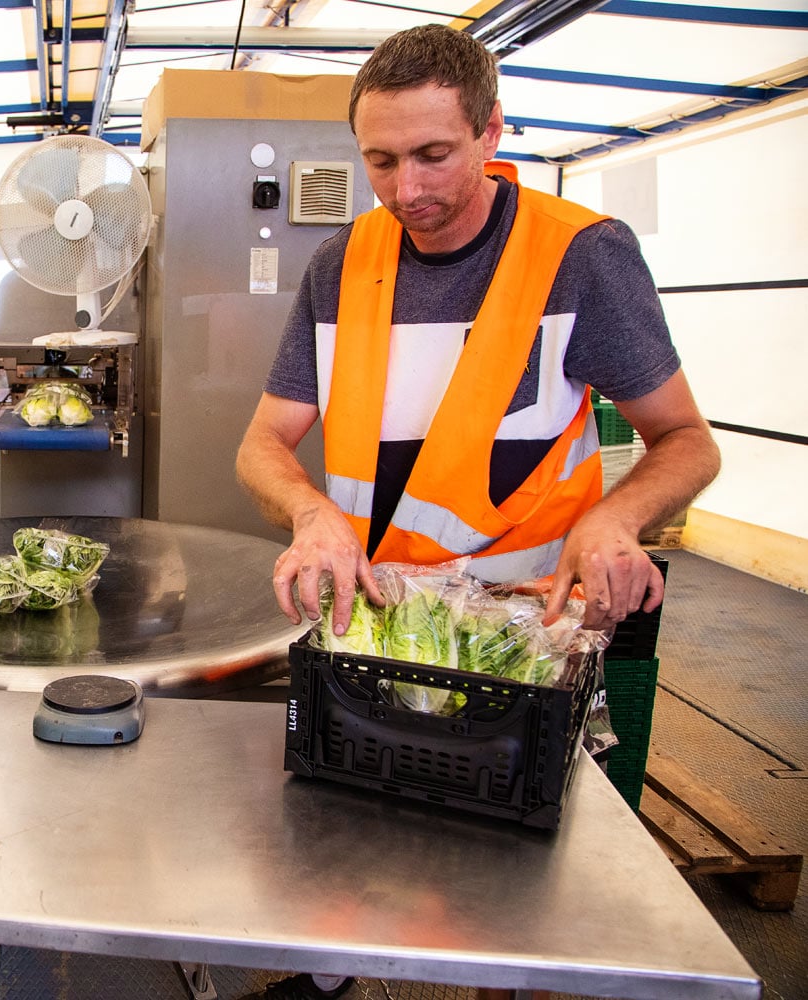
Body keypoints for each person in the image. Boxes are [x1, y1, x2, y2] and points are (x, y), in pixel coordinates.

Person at [234, 23, 720, 1000]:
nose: (406, 188)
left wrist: (613, 520)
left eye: (433, 155)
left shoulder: (580, 258)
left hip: (525, 638)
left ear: (493, 130)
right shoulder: (340, 266)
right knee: (355, 828)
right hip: (377, 626)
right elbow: (261, 444)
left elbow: (687, 442)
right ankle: (334, 972)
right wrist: (309, 513)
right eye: (379, 159)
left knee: (526, 882)